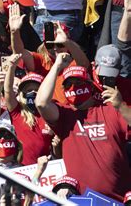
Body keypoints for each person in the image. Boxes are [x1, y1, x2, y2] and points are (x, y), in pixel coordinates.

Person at [35, 55, 131, 200]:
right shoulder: (64, 115)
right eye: (68, 85)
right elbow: (41, 103)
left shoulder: (110, 109)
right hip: (79, 200)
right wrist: (57, 66)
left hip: (117, 200)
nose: (73, 88)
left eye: (77, 82)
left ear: (90, 86)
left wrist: (121, 106)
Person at [4, 54, 54, 165]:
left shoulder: (52, 112)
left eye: (36, 89)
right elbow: (8, 91)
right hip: (21, 168)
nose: (32, 92)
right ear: (22, 93)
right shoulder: (17, 111)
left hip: (47, 169)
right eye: (28, 89)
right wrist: (11, 67)